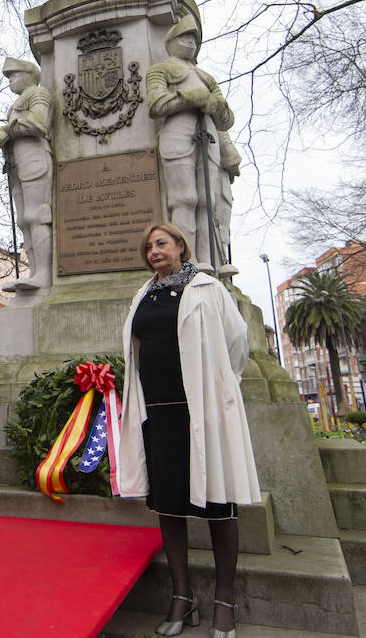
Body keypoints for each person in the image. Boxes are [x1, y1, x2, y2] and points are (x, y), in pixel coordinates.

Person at [116, 222, 260, 638]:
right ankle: (183, 595)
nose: (154, 251)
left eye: (162, 244)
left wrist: (217, 388)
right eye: (148, 247)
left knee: (218, 504)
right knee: (169, 506)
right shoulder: (143, 295)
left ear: (181, 246)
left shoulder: (208, 289)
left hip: (203, 411)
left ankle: (225, 600)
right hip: (159, 412)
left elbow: (237, 343)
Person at [146, 15, 234, 266]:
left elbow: (226, 120)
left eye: (194, 39)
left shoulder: (206, 77)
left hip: (208, 134)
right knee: (184, 198)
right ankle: (187, 261)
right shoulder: (160, 70)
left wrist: (216, 105)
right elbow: (156, 104)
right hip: (177, 131)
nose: (190, 43)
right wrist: (187, 97)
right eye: (184, 37)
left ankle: (208, 260)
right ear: (171, 41)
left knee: (208, 200)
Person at [0, 57, 54, 290]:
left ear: (29, 75)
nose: (11, 81)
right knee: (24, 220)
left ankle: (44, 274)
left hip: (35, 158)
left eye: (14, 75)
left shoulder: (38, 94)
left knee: (38, 215)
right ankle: (34, 271)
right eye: (8, 77)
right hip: (17, 163)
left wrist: (5, 130)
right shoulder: (16, 104)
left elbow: (38, 123)